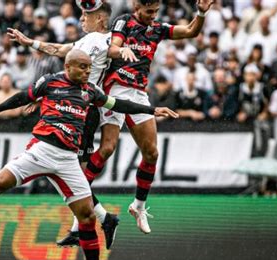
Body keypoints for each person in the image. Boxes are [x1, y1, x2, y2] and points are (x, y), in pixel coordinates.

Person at [0, 49, 178, 260]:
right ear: (67, 66)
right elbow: (22, 97)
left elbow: (120, 104)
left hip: (68, 160)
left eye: (90, 68)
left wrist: (151, 110)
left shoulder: (91, 91)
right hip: (41, 150)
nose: (87, 72)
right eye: (83, 67)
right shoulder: (49, 82)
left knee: (88, 218)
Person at [87, 0, 213, 234]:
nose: (152, 16)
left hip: (138, 93)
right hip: (115, 88)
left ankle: (138, 206)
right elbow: (112, 47)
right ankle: (80, 188)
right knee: (107, 149)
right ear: (137, 7)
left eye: (155, 12)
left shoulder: (158, 29)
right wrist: (121, 49)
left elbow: (191, 31)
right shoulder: (124, 21)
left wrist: (201, 13)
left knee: (152, 153)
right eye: (148, 12)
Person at [7, 2, 125, 249]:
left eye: (88, 14)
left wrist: (125, 52)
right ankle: (99, 220)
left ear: (102, 21)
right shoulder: (84, 42)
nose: (82, 17)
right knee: (72, 173)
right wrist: (31, 43)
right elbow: (59, 49)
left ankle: (99, 220)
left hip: (85, 110)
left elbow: (116, 50)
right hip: (75, 107)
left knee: (71, 173)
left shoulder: (105, 40)